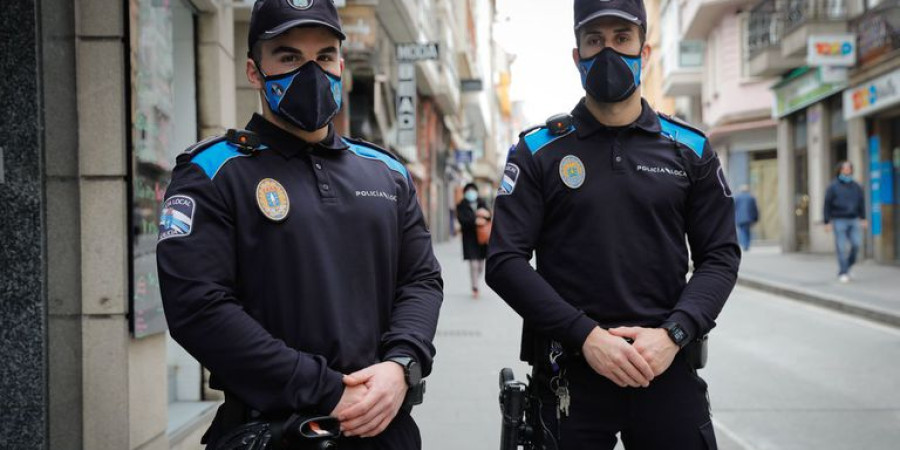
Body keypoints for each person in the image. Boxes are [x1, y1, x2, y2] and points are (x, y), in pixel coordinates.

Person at [156, 1, 443, 448]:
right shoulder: (212, 173)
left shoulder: (387, 172)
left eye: (324, 56)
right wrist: (328, 390)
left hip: (386, 427)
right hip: (275, 433)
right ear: (254, 71)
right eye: (289, 57)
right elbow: (198, 308)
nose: (312, 72)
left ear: (341, 65)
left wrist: (401, 364)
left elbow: (421, 279)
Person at [485, 0, 740, 448]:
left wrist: (673, 333)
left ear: (645, 52)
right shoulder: (538, 152)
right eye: (594, 41)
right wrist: (586, 336)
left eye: (622, 39)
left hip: (663, 365)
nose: (608, 53)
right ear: (576, 55)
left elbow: (720, 256)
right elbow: (504, 261)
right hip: (570, 374)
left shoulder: (690, 150)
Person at [824, 161, 867, 283]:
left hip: (853, 219)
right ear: (840, 170)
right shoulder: (833, 187)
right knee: (841, 247)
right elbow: (827, 204)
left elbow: (861, 203)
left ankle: (846, 267)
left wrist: (863, 218)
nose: (848, 170)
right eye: (845, 168)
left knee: (856, 244)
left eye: (849, 168)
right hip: (839, 220)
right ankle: (843, 272)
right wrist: (827, 221)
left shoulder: (856, 186)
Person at [456, 183, 491, 298]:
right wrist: (475, 221)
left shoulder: (482, 203)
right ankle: (475, 286)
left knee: (481, 265)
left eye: (473, 190)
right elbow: (462, 220)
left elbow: (489, 217)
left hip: (482, 238)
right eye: (468, 191)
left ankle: (476, 279)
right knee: (473, 264)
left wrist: (486, 215)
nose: (471, 193)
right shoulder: (461, 205)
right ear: (465, 193)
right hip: (469, 238)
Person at [733, 184, 759, 251]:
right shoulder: (751, 197)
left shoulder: (737, 197)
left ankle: (744, 244)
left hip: (740, 218)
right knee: (747, 231)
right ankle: (746, 244)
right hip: (749, 218)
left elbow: (734, 207)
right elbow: (755, 208)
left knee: (742, 231)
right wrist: (756, 218)